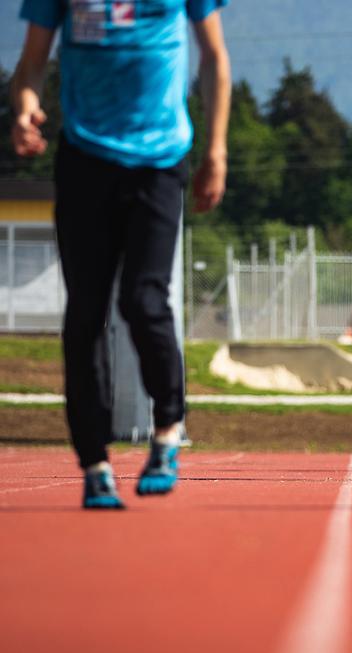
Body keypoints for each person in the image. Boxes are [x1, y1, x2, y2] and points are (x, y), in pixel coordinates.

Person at [11, 0, 231, 509]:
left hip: (160, 159)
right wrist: (25, 107)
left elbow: (214, 57)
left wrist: (216, 150)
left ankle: (167, 431)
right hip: (85, 158)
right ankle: (94, 464)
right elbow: (32, 63)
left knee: (143, 299)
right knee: (86, 312)